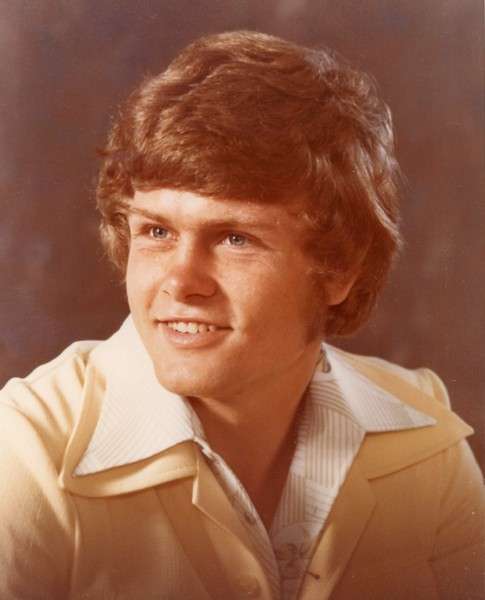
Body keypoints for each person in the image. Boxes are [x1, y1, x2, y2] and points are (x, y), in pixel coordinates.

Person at [0, 30, 483, 600]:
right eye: (156, 231)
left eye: (235, 238)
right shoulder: (30, 450)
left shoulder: (423, 437)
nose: (180, 281)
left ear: (339, 268)